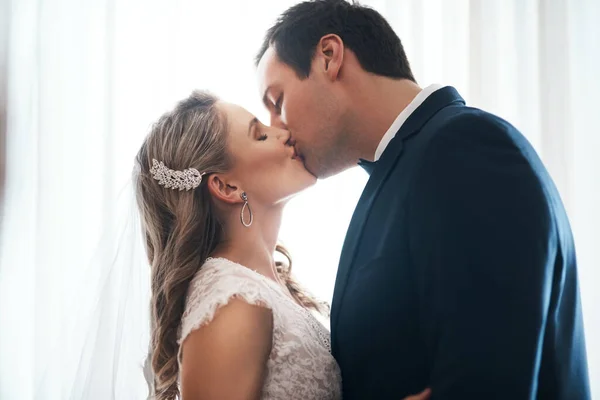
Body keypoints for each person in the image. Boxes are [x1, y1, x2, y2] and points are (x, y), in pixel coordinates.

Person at [255, 0, 591, 398]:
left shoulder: (465, 149)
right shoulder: (407, 169)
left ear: (329, 56)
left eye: (278, 102)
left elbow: (490, 381)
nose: (279, 129)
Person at [133, 91, 342, 400]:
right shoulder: (231, 298)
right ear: (227, 186)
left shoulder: (262, 286)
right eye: (260, 135)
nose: (284, 133)